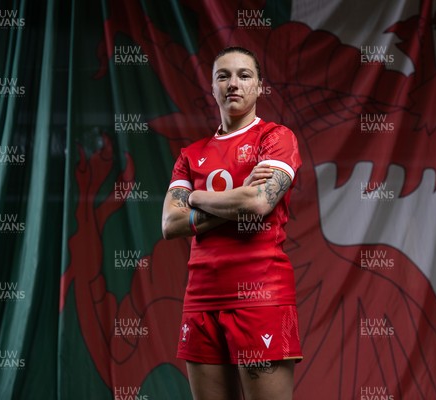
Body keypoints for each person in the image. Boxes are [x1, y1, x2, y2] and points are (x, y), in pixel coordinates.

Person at [161, 46, 303, 400]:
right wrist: (236, 200)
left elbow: (257, 202)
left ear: (259, 87)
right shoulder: (191, 155)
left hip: (261, 296)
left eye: (244, 75)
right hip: (201, 298)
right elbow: (170, 224)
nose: (233, 83)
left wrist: (195, 197)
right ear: (212, 87)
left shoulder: (275, 138)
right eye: (223, 76)